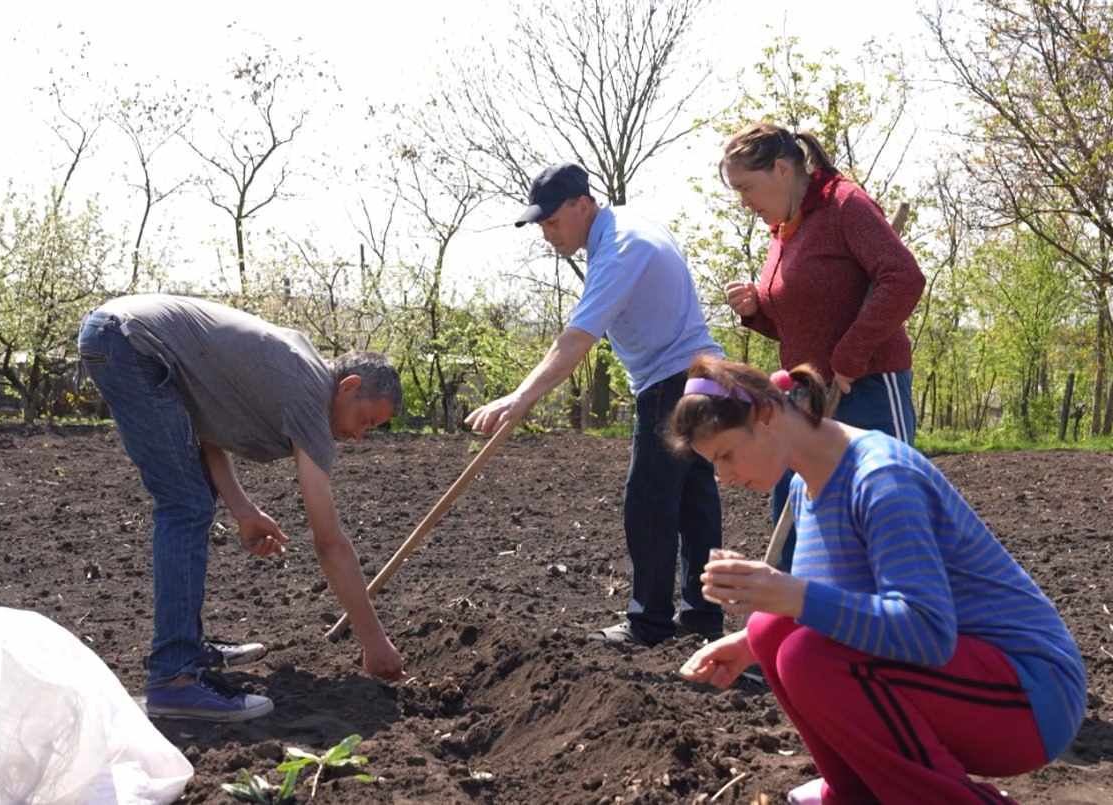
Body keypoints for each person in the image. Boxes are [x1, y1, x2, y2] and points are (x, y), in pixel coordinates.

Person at [671, 356, 1085, 804]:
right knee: (773, 630)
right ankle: (856, 794)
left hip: (1031, 698)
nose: (724, 478)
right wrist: (751, 644)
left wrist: (791, 593)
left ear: (766, 415)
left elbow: (927, 632)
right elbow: (833, 613)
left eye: (726, 455)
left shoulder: (881, 478)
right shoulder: (803, 486)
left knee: (807, 653)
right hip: (970, 686)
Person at [77, 293, 405, 722]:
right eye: (366, 421)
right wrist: (374, 641)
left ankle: (185, 650)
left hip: (123, 335)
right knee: (184, 503)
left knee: (191, 498)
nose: (361, 436)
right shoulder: (310, 392)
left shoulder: (298, 371)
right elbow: (328, 542)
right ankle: (174, 679)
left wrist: (243, 510)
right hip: (129, 342)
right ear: (350, 387)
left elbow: (204, 426)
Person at [465, 162, 724, 647]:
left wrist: (520, 399)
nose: (547, 235)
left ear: (583, 204)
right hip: (698, 373)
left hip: (671, 380)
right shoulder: (629, 228)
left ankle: (648, 622)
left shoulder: (622, 248)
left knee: (650, 500)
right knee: (694, 500)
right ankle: (701, 617)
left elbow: (578, 338)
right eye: (540, 225)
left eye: (552, 221)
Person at [719, 123, 926, 570]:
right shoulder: (782, 230)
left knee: (872, 519)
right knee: (798, 518)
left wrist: (852, 353)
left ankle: (885, 629)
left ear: (779, 169)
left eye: (746, 187)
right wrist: (757, 310)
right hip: (806, 394)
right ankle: (794, 629)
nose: (743, 201)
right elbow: (806, 325)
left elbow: (903, 278)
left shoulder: (844, 204)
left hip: (866, 390)